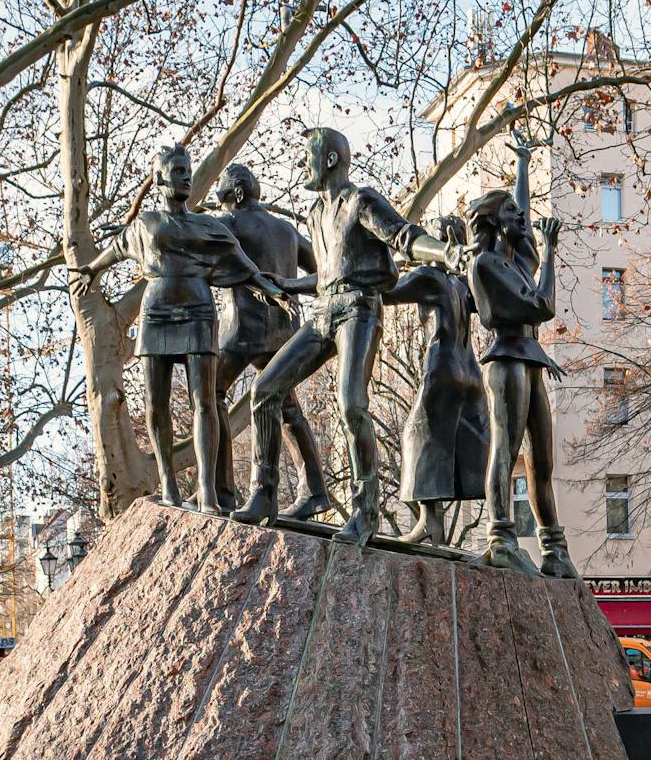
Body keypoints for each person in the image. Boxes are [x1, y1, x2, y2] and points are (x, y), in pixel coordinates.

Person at [233, 126, 462, 546]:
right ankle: (264, 494)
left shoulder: (362, 200)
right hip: (323, 312)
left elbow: (404, 237)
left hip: (359, 309)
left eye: (308, 156)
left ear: (331, 160)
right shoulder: (316, 215)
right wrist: (285, 284)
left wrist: (443, 252)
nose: (303, 164)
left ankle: (364, 511)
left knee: (351, 403)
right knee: (264, 389)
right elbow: (328, 275)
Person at [105, 143, 289, 511]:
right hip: (155, 313)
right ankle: (170, 488)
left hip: (199, 312)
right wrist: (90, 269)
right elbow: (114, 249)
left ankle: (208, 490)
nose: (186, 176)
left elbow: (242, 265)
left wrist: (271, 289)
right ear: (158, 178)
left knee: (204, 399)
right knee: (155, 404)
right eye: (177, 170)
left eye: (188, 170)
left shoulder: (208, 225)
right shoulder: (145, 225)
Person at [467, 131, 572, 576]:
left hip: (531, 360)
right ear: (493, 222)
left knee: (543, 461)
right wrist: (549, 252)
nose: (521, 217)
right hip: (507, 360)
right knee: (506, 452)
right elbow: (542, 306)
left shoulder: (515, 258)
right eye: (509, 212)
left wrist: (525, 165)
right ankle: (501, 536)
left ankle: (555, 549)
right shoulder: (487, 265)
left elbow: (523, 212)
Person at [210, 164, 332, 520]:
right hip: (284, 331)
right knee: (288, 409)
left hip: (241, 331)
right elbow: (324, 270)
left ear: (238, 193)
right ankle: (315, 491)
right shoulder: (286, 230)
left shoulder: (228, 224)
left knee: (210, 395)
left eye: (223, 198)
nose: (222, 206)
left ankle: (222, 491)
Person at [386, 215, 488, 547]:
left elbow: (388, 292)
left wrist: (394, 261)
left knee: (419, 434)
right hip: (470, 372)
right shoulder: (465, 284)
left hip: (442, 367)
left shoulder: (431, 277)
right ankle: (446, 526)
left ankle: (429, 521)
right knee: (453, 439)